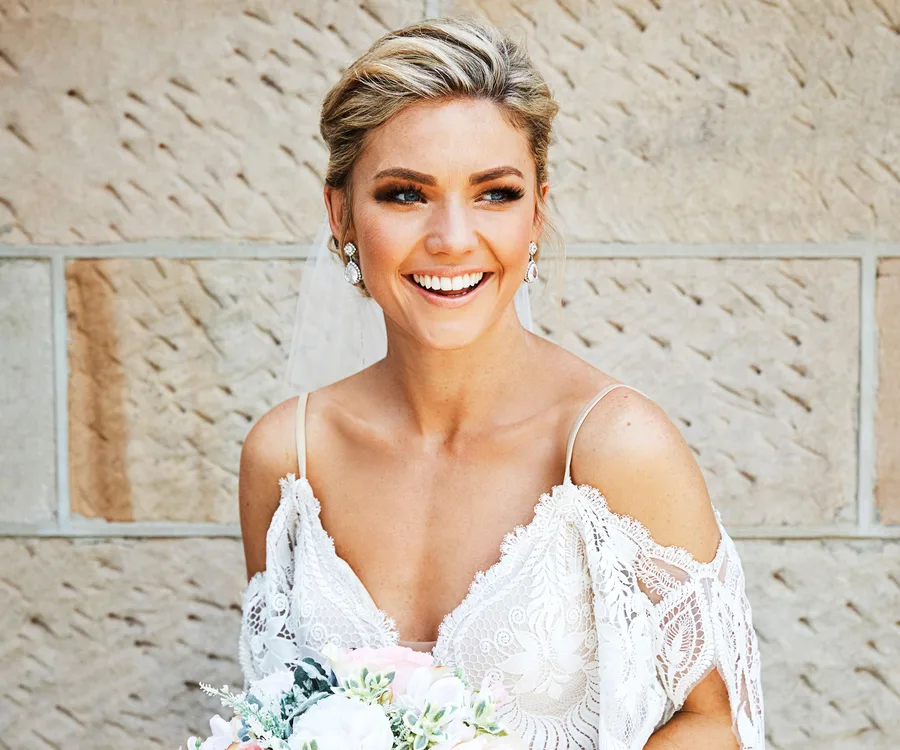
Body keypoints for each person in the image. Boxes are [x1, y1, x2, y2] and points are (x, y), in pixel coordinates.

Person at [236, 16, 764, 750]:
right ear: (341, 214)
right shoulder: (286, 457)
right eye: (405, 194)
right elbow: (277, 707)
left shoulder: (616, 446)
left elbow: (719, 720)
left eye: (495, 194)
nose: (453, 239)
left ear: (537, 210)